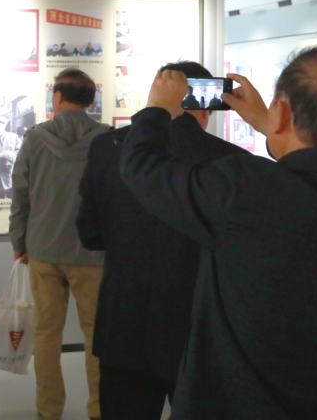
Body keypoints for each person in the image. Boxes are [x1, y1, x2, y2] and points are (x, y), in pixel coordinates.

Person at [121, 44, 317, 419]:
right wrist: (276, 124)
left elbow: (142, 167)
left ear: (282, 113)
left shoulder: (244, 191)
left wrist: (158, 108)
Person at [77, 62, 247, 420]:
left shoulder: (106, 148)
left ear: (156, 95)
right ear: (206, 105)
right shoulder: (232, 160)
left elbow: (89, 233)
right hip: (199, 330)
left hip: (124, 322)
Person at [10, 68, 110, 420]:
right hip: (92, 253)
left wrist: (19, 241)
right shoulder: (107, 139)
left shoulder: (35, 138)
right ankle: (99, 410)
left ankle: (48, 410)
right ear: (91, 100)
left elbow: (21, 193)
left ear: (57, 97)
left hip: (43, 249)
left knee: (47, 335)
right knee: (97, 336)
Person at [0, 115, 21, 199]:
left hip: (12, 177)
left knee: (14, 202)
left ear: (4, 126)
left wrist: (5, 155)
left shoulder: (14, 137)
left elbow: (21, 154)